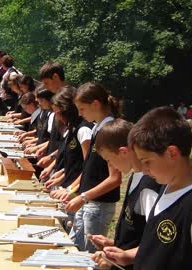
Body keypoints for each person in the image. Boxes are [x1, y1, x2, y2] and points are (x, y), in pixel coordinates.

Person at [102, 107, 192, 270]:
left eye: (147, 161)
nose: (144, 169)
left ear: (172, 153)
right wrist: (127, 257)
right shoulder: (165, 190)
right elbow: (159, 250)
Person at [89, 119, 161, 270]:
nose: (110, 165)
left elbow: (157, 242)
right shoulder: (135, 176)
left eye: (109, 160)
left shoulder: (148, 188)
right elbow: (136, 232)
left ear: (123, 152)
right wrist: (114, 243)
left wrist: (127, 256)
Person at [62, 82, 122, 252]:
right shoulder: (97, 128)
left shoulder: (109, 131)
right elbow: (89, 169)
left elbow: (115, 178)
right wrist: (73, 192)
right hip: (87, 202)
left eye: (82, 109)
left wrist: (83, 197)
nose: (80, 114)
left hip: (98, 206)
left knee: (90, 257)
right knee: (74, 248)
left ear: (95, 104)